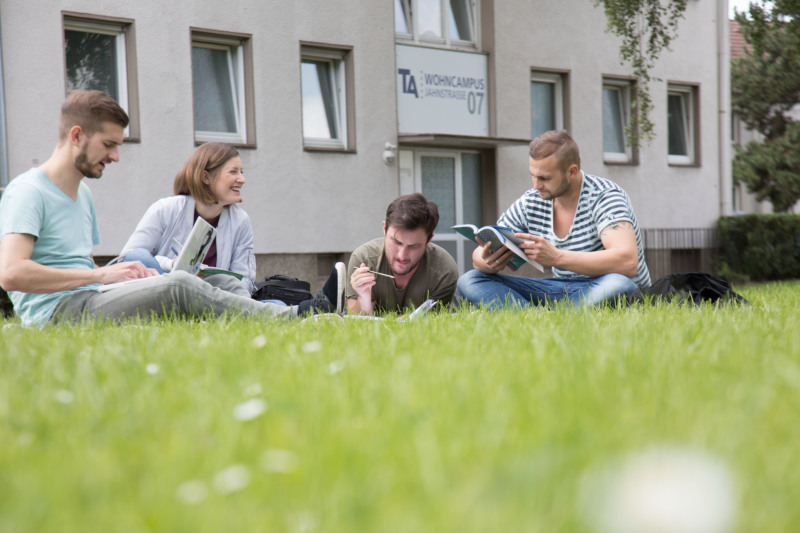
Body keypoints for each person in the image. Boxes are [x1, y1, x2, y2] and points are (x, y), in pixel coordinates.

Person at [0, 90, 342, 328]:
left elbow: (78, 263)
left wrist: (124, 275)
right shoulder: (29, 191)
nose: (115, 156)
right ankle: (298, 316)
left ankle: (302, 311)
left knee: (209, 284)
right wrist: (101, 275)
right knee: (178, 285)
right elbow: (11, 273)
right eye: (109, 145)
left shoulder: (82, 194)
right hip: (59, 313)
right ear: (76, 136)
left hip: (93, 295)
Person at [457, 130, 651, 309]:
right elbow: (482, 250)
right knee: (471, 280)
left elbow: (627, 262)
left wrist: (556, 257)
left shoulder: (604, 196)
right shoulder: (532, 201)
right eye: (533, 176)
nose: (536, 185)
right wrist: (486, 260)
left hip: (604, 285)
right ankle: (540, 317)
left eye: (544, 178)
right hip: (560, 288)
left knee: (618, 285)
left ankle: (541, 314)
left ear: (571, 172)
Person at [118, 142, 257, 296]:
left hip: (213, 299)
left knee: (275, 303)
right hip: (165, 294)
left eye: (241, 172)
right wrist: (172, 264)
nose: (242, 179)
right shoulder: (166, 209)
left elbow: (245, 279)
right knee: (138, 256)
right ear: (206, 177)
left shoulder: (241, 220)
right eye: (233, 172)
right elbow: (128, 258)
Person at [347, 193, 458, 314]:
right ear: (384, 229)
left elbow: (432, 323)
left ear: (429, 240)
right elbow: (356, 322)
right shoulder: (364, 259)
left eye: (413, 246)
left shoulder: (444, 271)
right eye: (396, 242)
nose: (402, 255)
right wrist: (364, 298)